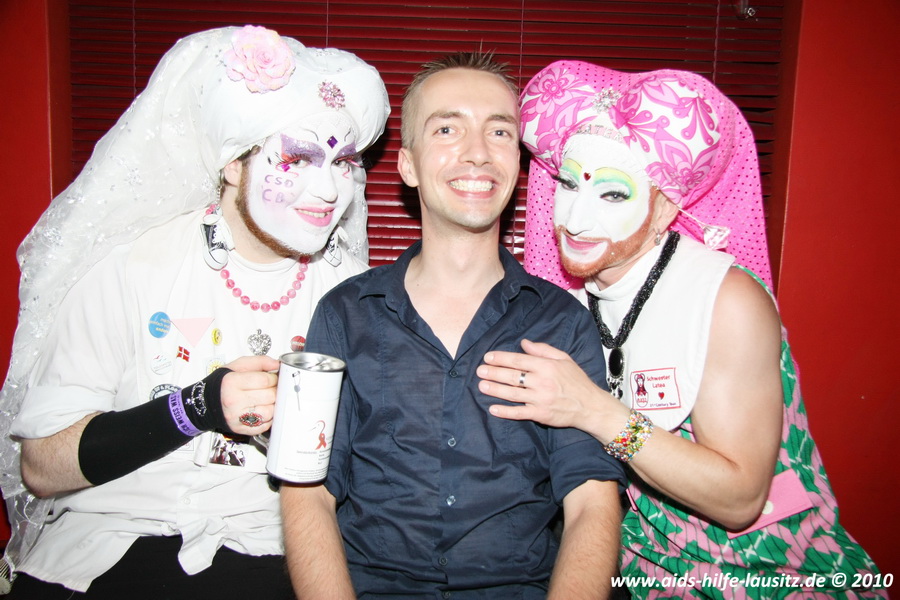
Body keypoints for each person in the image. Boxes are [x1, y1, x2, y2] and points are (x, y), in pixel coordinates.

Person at [0, 25, 389, 598]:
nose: (329, 191)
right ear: (233, 163)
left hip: (272, 551)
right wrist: (195, 407)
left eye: (342, 163)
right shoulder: (132, 268)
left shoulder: (358, 297)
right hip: (109, 544)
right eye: (300, 158)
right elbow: (41, 467)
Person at [476, 60, 886, 598]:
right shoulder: (573, 303)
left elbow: (739, 497)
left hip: (773, 577)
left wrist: (594, 410)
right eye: (569, 184)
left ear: (666, 207)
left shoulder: (726, 300)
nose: (574, 219)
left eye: (613, 194)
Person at [280, 52, 626, 599]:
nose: (478, 152)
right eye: (447, 128)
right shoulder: (342, 313)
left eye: (499, 131)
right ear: (408, 165)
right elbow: (306, 490)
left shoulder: (563, 323)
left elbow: (591, 502)